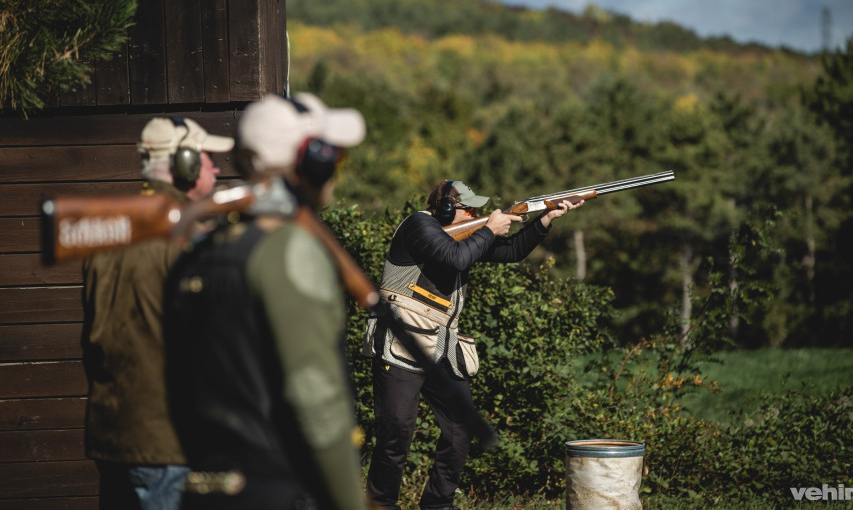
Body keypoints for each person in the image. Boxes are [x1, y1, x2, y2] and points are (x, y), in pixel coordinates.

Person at [164, 93, 369, 510]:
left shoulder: (201, 250)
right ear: (309, 161)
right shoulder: (289, 251)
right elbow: (316, 399)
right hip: (280, 488)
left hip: (205, 489)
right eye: (334, 157)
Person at [363, 180, 584, 510]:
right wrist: (490, 228)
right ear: (447, 209)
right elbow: (455, 259)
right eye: (472, 210)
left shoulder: (466, 233)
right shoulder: (419, 225)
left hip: (443, 344)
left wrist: (545, 219)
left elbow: (511, 252)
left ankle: (438, 504)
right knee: (397, 432)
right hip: (402, 340)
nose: (479, 214)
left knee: (460, 426)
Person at [82, 117, 234, 510]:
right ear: (186, 165)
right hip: (168, 441)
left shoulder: (109, 227)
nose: (215, 168)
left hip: (112, 433)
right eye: (207, 158)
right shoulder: (189, 236)